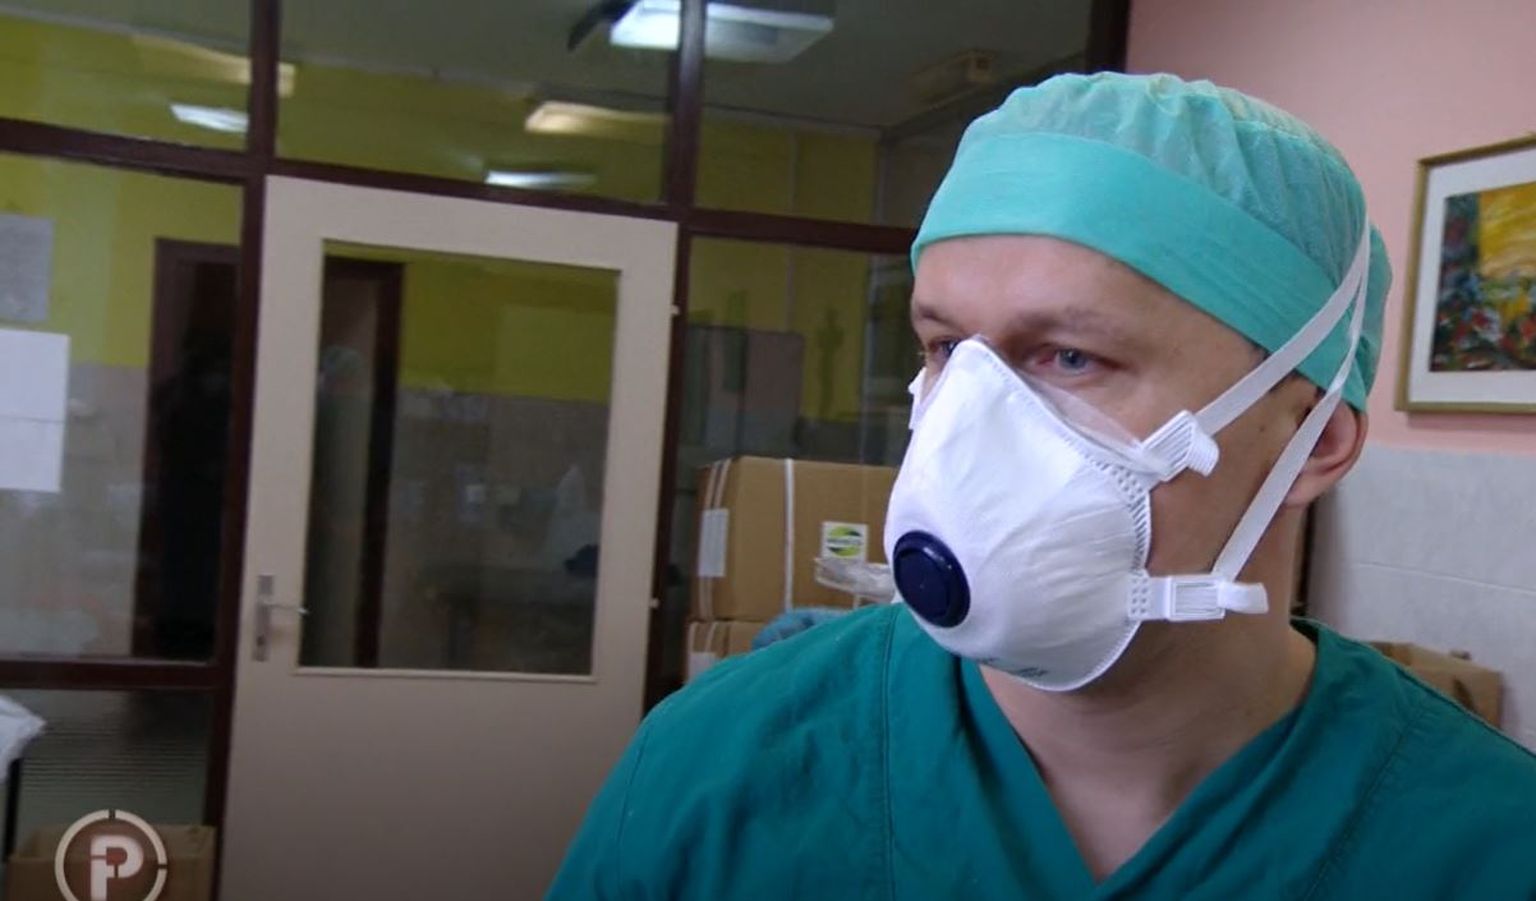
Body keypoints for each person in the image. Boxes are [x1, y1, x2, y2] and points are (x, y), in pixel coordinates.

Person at [549, 72, 1536, 899]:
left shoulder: (1486, 845)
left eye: (1069, 357)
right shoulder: (720, 766)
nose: (968, 422)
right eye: (946, 347)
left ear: (1314, 440)